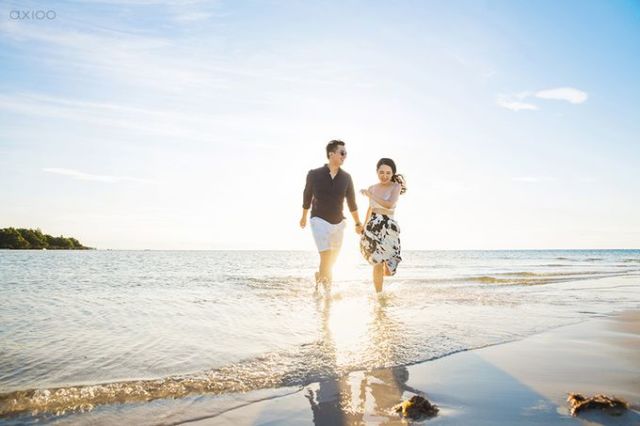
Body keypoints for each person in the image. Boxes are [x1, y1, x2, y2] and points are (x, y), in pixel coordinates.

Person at [300, 140, 363, 290]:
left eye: (346, 153)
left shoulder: (346, 178)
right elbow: (307, 196)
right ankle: (327, 295)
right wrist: (303, 216)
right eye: (342, 153)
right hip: (318, 219)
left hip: (339, 223)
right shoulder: (314, 174)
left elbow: (352, 202)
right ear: (331, 154)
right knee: (326, 255)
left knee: (332, 259)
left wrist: (358, 223)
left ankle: (319, 276)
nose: (344, 156)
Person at [359, 158, 406, 293]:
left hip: (388, 226)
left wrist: (370, 195)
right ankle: (379, 296)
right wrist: (363, 225)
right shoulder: (372, 188)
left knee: (390, 270)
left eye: (388, 173)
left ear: (392, 173)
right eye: (381, 172)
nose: (384, 176)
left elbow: (389, 204)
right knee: (377, 262)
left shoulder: (396, 186)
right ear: (377, 172)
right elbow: (370, 208)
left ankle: (383, 275)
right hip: (373, 226)